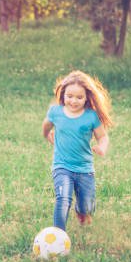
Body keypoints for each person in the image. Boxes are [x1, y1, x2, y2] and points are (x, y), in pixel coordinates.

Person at [42, 70, 113, 232]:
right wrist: (47, 134)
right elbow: (46, 124)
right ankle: (58, 234)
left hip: (84, 169)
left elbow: (103, 137)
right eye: (69, 96)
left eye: (79, 97)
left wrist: (101, 147)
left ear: (87, 97)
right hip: (62, 166)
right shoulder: (56, 112)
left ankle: (81, 212)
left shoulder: (91, 116)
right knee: (63, 198)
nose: (73, 101)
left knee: (86, 206)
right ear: (63, 94)